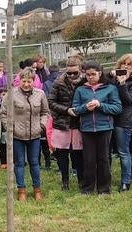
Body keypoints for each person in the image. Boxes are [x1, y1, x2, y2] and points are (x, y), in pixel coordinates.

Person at [70, 61, 122, 195]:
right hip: (87, 129)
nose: (90, 77)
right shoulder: (80, 90)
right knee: (88, 159)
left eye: (93, 74)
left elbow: (117, 108)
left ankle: (104, 189)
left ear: (100, 73)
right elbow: (75, 109)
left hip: (105, 128)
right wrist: (85, 108)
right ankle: (87, 188)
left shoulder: (110, 88)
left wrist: (100, 105)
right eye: (87, 75)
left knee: (104, 159)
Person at [1, 67, 49, 201]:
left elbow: (45, 112)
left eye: (29, 81)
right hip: (17, 135)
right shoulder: (11, 95)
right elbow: (3, 114)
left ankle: (37, 189)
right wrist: (10, 128)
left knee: (34, 162)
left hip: (35, 134)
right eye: (24, 81)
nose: (26, 84)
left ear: (33, 81)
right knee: (20, 163)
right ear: (19, 81)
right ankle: (21, 190)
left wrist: (42, 126)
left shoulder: (40, 94)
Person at [48, 55, 85, 191]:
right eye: (69, 73)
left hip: (79, 123)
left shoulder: (85, 82)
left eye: (75, 72)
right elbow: (51, 102)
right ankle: (65, 181)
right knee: (62, 155)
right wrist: (66, 110)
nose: (72, 75)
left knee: (79, 154)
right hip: (62, 123)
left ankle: (81, 180)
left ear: (81, 70)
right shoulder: (59, 82)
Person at [109, 53, 132, 192]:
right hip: (108, 118)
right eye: (124, 63)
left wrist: (123, 83)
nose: (126, 66)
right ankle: (106, 178)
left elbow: (129, 100)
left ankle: (126, 181)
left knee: (124, 152)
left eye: (130, 64)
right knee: (107, 152)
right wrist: (111, 75)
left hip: (123, 120)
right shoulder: (113, 77)